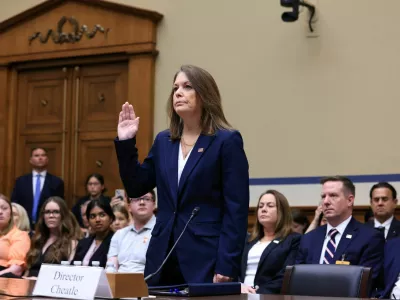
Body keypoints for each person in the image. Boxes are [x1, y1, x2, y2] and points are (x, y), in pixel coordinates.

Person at [114, 65, 249, 285]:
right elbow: (137, 186)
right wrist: (126, 142)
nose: (178, 92)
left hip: (206, 257)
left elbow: (236, 208)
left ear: (205, 94)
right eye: (175, 87)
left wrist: (227, 263)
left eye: (187, 87)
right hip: (163, 255)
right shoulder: (164, 141)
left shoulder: (226, 141)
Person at [296, 176, 385, 293]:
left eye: (333, 196)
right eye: (323, 196)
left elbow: (365, 283)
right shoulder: (309, 238)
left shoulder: (369, 237)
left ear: (350, 200)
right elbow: (296, 280)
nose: (326, 202)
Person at [240, 190, 300, 294]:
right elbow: (234, 269)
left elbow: (286, 276)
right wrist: (239, 286)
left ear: (282, 211)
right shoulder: (248, 240)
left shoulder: (293, 240)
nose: (263, 209)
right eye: (261, 206)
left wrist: (258, 293)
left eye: (270, 206)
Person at [25, 197, 82, 278]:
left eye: (56, 212)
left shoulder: (71, 242)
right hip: (29, 286)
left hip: (52, 287)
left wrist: (38, 280)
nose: (51, 216)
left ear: (63, 215)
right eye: (47, 212)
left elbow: (68, 276)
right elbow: (28, 270)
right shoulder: (38, 240)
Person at [11, 147, 64, 227]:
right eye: (36, 155)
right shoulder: (21, 181)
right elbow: (15, 203)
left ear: (47, 159)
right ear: (31, 160)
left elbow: (60, 205)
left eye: (43, 155)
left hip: (47, 226)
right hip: (23, 225)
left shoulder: (56, 182)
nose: (40, 158)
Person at [107, 191, 156, 272]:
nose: (142, 202)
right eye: (137, 199)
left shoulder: (162, 232)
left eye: (147, 199)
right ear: (129, 207)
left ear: (154, 205)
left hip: (148, 283)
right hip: (120, 282)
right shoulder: (119, 234)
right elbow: (111, 267)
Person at [72, 199, 114, 267]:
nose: (97, 220)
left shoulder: (115, 242)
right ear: (88, 221)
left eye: (102, 215)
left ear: (111, 218)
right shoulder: (83, 243)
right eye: (92, 216)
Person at [0, 194, 30, 278]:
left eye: (4, 208)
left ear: (10, 214)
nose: (0, 212)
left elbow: (16, 270)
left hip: (4, 278)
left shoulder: (20, 235)